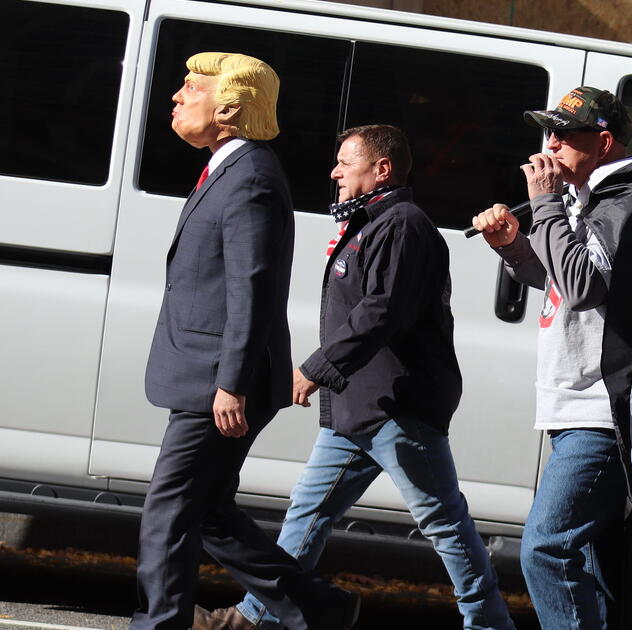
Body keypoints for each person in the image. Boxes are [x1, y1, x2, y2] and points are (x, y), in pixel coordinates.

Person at [195, 124, 514, 630]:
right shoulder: (371, 222)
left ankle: (489, 624)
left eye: (346, 162)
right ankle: (256, 618)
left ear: (382, 169)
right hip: (357, 404)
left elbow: (381, 312)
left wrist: (316, 369)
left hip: (398, 405)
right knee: (307, 512)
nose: (335, 172)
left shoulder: (403, 225)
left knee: (443, 523)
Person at [134, 52, 358, 630]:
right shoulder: (229, 169)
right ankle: (321, 609)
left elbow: (251, 288)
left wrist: (230, 383)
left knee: (168, 513)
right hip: (211, 375)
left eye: (192, 87)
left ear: (229, 109)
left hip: (219, 381)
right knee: (206, 512)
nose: (177, 96)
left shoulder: (250, 176)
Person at [471, 87, 632, 629]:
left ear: (604, 143)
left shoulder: (631, 198)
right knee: (595, 565)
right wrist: (514, 246)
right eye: (549, 132)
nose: (551, 144)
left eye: (565, 135)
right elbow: (558, 283)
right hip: (574, 407)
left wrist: (544, 203)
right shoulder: (587, 199)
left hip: (604, 410)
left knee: (546, 549)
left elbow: (585, 285)